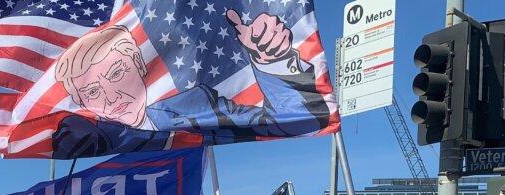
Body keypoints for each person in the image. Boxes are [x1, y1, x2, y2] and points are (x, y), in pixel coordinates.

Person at [50, 11, 333, 158]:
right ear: (83, 103)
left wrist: (274, 60)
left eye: (115, 74)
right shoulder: (85, 139)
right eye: (92, 91)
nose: (112, 98)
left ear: (138, 63)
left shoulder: (195, 105)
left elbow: (304, 119)